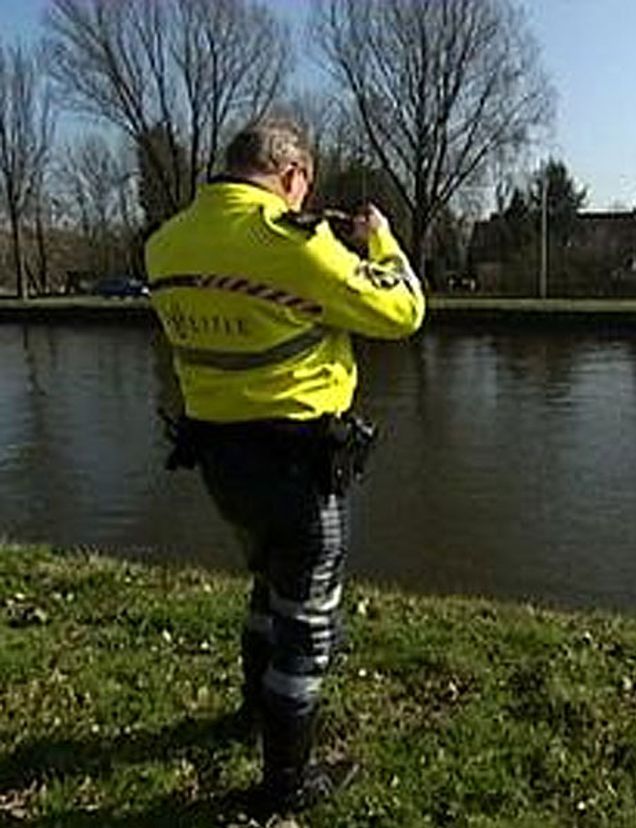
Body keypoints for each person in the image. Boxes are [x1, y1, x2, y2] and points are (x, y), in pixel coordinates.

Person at [145, 117, 425, 813]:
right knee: (308, 623)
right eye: (305, 191)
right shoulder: (295, 247)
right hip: (300, 467)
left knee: (267, 589)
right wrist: (378, 240)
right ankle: (286, 784)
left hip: (218, 459)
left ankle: (252, 713)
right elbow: (405, 310)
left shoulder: (165, 245)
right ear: (293, 176)